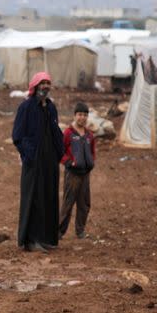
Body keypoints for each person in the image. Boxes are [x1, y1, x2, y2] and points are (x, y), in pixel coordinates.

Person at [12, 72, 65, 253]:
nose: (45, 86)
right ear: (35, 86)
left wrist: (60, 153)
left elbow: (55, 131)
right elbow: (17, 136)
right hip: (33, 161)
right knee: (34, 198)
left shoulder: (50, 107)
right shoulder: (26, 107)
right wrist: (28, 155)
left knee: (48, 196)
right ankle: (31, 240)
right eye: (42, 83)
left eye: (48, 83)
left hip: (49, 161)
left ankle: (46, 238)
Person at [59, 102, 96, 239]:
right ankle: (59, 231)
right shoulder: (68, 133)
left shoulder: (89, 135)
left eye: (85, 115)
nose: (83, 118)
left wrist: (91, 163)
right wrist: (68, 162)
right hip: (72, 174)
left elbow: (92, 152)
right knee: (68, 203)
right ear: (75, 115)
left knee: (84, 203)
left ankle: (80, 231)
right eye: (80, 114)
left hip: (85, 174)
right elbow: (60, 152)